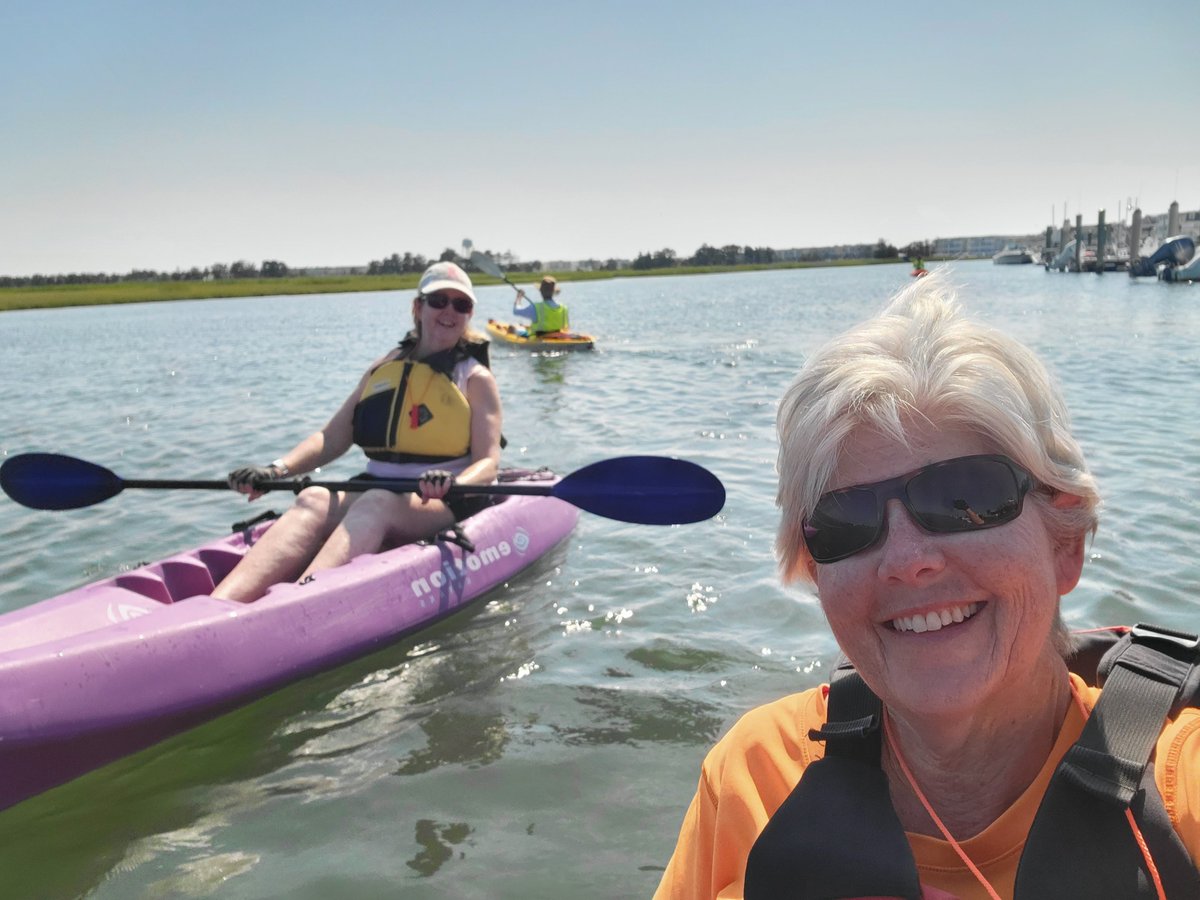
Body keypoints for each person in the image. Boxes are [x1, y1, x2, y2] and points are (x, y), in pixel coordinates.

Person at [655, 272, 1200, 899]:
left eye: (964, 499)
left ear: (1064, 544)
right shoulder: (757, 776)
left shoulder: (1181, 787)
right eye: (848, 520)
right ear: (814, 571)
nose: (907, 559)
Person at [213, 260, 502, 603]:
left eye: (461, 304)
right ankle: (220, 604)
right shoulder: (385, 367)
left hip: (440, 500)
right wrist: (276, 470)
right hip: (377, 487)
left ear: (469, 315)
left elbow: (488, 463)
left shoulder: (476, 378)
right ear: (418, 307)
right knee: (313, 497)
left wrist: (453, 482)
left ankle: (294, 603)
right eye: (439, 301)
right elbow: (332, 437)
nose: (449, 311)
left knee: (377, 502)